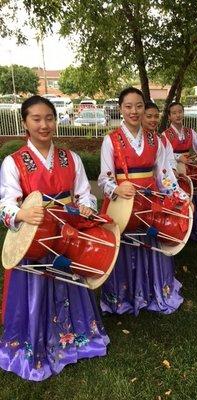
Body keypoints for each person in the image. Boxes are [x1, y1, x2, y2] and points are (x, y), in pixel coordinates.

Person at [0, 95, 109, 381]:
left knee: (71, 284)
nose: (44, 125)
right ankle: (34, 345)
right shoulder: (13, 163)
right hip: (35, 239)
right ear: (25, 122)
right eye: (36, 119)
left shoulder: (70, 158)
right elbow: (6, 203)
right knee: (36, 289)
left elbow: (85, 192)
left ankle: (76, 341)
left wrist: (87, 206)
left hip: (67, 234)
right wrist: (20, 214)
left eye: (49, 118)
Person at [98, 87, 188, 316]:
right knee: (126, 243)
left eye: (138, 106)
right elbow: (104, 177)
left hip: (150, 199)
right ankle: (124, 295)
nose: (134, 111)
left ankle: (153, 290)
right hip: (122, 201)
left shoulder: (155, 139)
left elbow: (164, 174)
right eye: (128, 106)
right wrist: (116, 187)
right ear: (120, 109)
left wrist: (179, 196)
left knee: (151, 240)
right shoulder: (111, 140)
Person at [163, 102, 197, 241]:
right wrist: (179, 158)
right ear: (169, 116)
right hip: (176, 167)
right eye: (174, 113)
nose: (178, 115)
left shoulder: (190, 132)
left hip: (190, 164)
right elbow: (163, 155)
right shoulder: (165, 135)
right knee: (184, 194)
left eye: (180, 111)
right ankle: (184, 228)